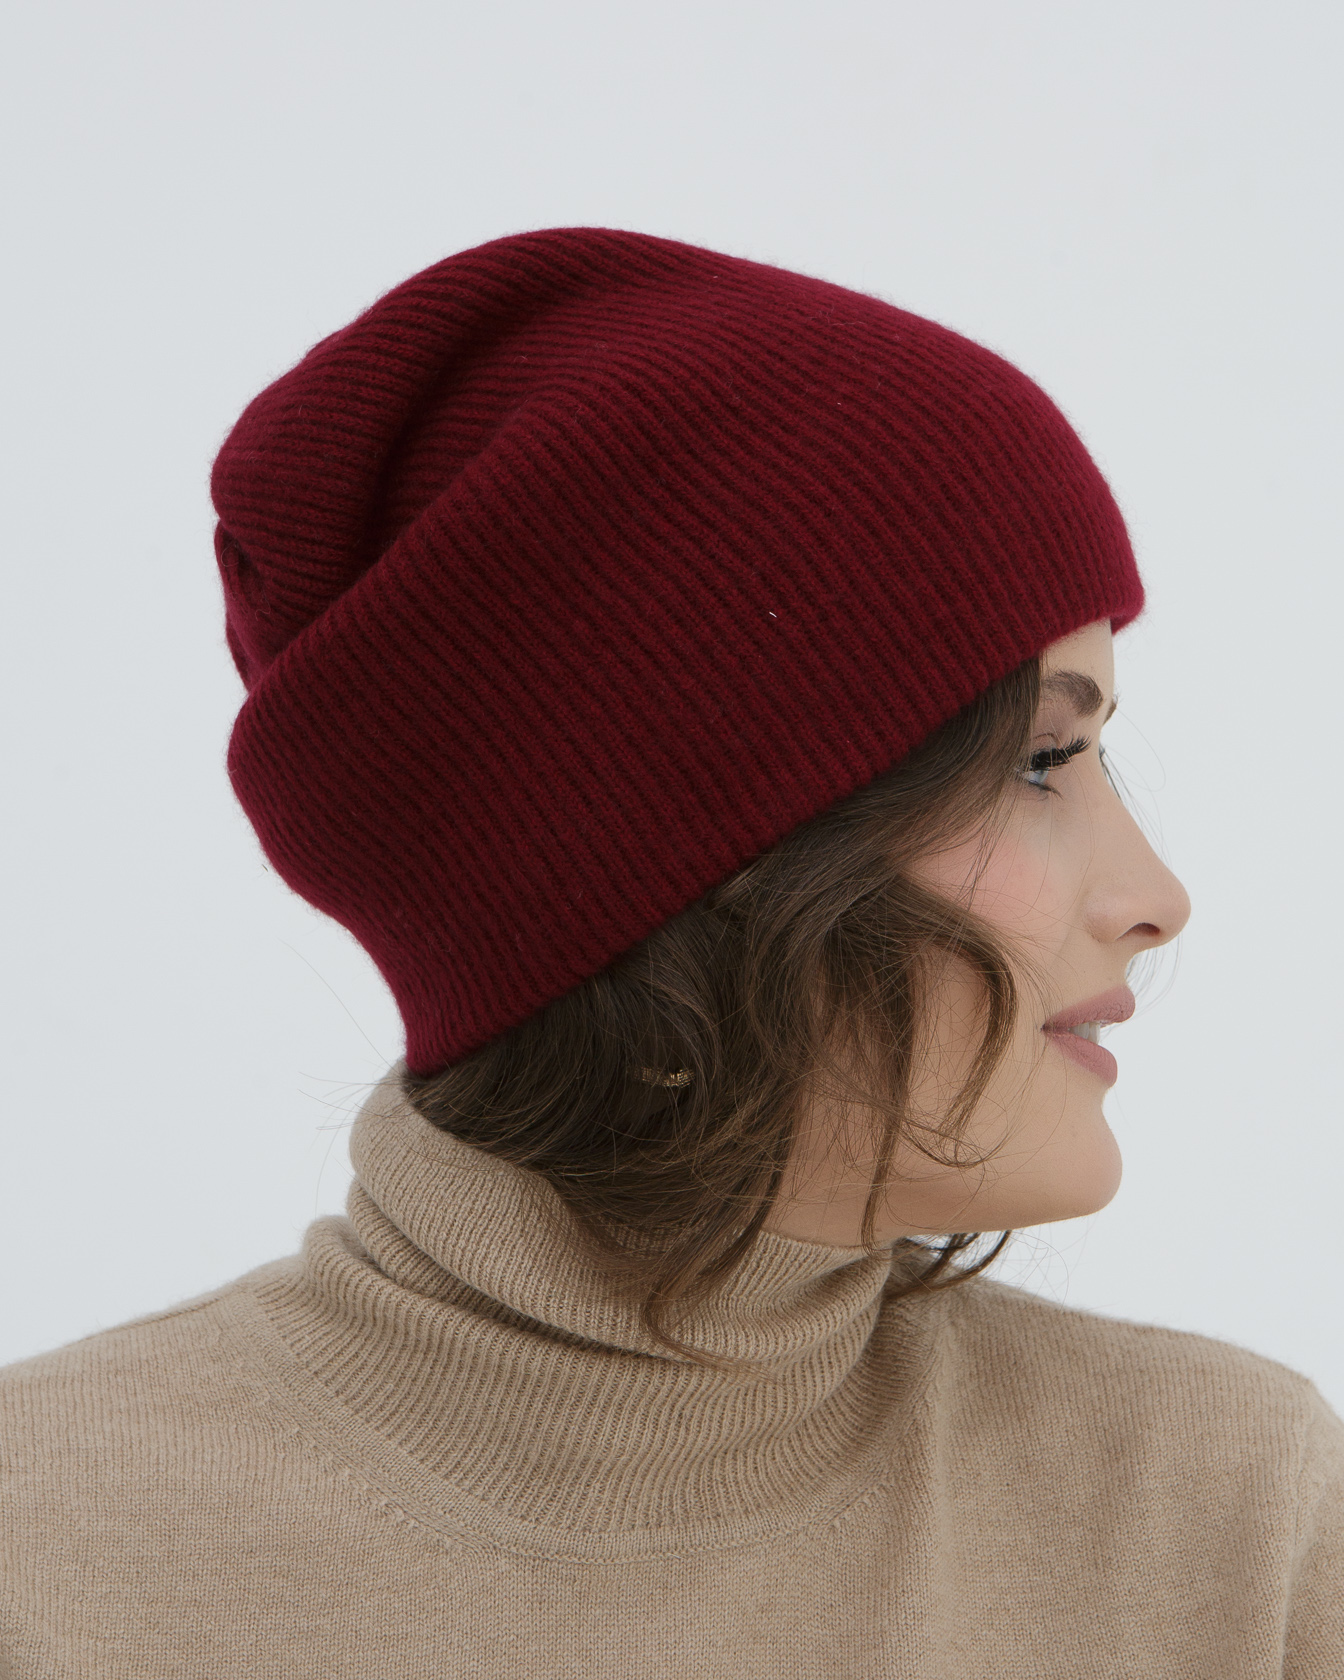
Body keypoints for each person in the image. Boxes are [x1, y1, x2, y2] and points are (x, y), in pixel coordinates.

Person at [1, 228, 1339, 1677]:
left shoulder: (1224, 1519)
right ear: (696, 869)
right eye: (1038, 761)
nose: (1157, 897)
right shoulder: (50, 1552)